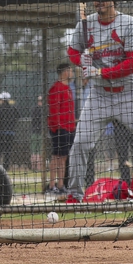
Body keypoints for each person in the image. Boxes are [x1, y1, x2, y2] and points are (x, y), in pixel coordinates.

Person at [64, 0, 133, 202]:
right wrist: (81, 60)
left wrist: (101, 72)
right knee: (80, 144)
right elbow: (72, 52)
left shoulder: (130, 23)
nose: (99, 2)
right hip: (99, 95)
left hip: (130, 94)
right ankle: (74, 195)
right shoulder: (85, 25)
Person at [46, 63, 77, 194]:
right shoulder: (57, 88)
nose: (72, 72)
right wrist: (57, 128)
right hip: (60, 128)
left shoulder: (68, 88)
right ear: (65, 72)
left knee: (63, 157)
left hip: (69, 127)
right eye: (70, 70)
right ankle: (52, 185)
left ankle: (61, 185)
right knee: (56, 156)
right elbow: (54, 110)